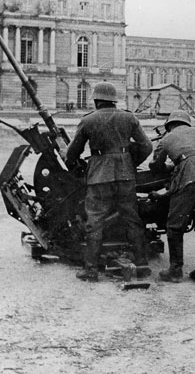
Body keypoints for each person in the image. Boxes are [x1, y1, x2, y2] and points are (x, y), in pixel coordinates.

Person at [65, 82, 153, 282]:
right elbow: (146, 146)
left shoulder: (88, 120)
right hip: (125, 175)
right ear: (114, 101)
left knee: (94, 221)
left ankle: (91, 270)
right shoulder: (129, 117)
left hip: (99, 175)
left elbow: (72, 153)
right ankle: (142, 265)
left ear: (96, 101)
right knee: (132, 218)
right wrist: (130, 163)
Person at [148, 110, 195, 283]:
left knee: (175, 225)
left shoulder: (167, 138)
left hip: (190, 177)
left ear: (170, 125)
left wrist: (172, 168)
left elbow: (155, 165)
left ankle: (175, 271)